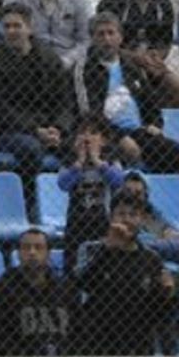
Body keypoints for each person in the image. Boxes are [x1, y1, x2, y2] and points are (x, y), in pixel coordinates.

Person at [76, 11, 179, 173]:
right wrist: (119, 137)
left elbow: (150, 102)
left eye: (111, 33)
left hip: (137, 131)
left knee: (175, 153)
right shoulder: (84, 68)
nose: (107, 39)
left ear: (120, 37)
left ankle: (145, 188)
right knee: (115, 154)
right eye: (101, 34)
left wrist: (155, 125)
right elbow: (88, 113)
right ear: (92, 39)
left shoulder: (131, 67)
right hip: (103, 135)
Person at [70, 193, 176, 356]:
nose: (126, 220)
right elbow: (81, 283)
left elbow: (158, 312)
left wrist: (166, 294)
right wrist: (108, 249)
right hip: (96, 343)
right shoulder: (91, 248)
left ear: (141, 220)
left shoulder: (151, 258)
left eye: (132, 215)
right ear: (111, 218)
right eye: (121, 214)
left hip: (137, 346)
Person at [0, 5, 76, 180]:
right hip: (7, 131)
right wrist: (35, 130)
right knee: (31, 148)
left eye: (17, 26)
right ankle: (30, 200)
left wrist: (58, 129)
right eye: (7, 26)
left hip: (48, 129)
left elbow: (64, 102)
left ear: (29, 28)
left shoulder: (49, 58)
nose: (11, 31)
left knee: (80, 146)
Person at [0, 227, 71, 357]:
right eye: (26, 247)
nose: (32, 252)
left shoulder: (65, 290)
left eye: (38, 247)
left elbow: (78, 334)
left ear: (48, 253)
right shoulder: (0, 291)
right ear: (18, 253)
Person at [59, 115, 126, 269]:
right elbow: (63, 184)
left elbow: (118, 181)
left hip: (102, 220)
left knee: (101, 263)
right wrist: (79, 163)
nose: (87, 137)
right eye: (82, 132)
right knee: (72, 262)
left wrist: (98, 162)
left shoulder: (110, 160)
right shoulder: (70, 161)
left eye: (94, 133)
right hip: (76, 222)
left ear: (104, 140)